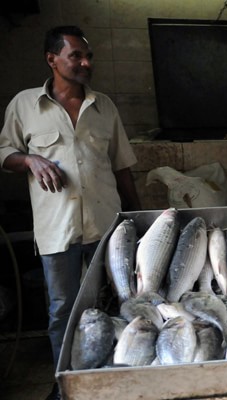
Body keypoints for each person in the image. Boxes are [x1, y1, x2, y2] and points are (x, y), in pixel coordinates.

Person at [0, 26, 141, 400]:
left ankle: (110, 380)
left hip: (105, 227)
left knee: (112, 303)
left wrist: (137, 216)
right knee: (62, 310)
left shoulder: (104, 106)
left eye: (88, 56)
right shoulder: (25, 105)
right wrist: (30, 160)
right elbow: (4, 153)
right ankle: (65, 384)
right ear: (52, 59)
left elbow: (122, 166)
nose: (86, 63)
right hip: (57, 229)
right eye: (76, 55)